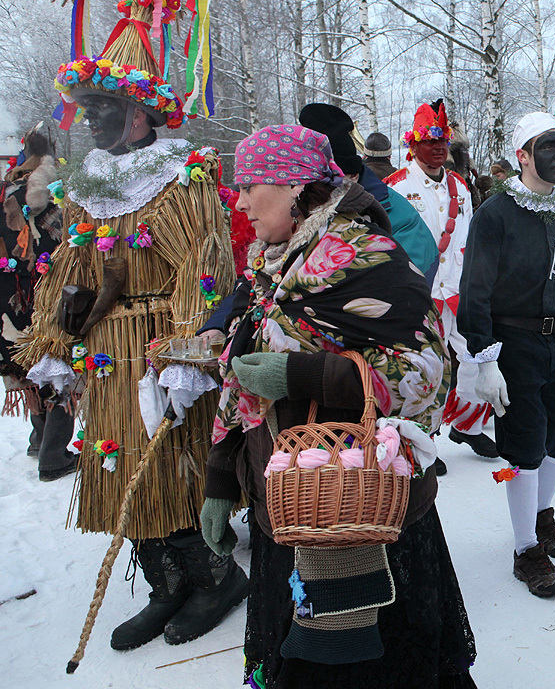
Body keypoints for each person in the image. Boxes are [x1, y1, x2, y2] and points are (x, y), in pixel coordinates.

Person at [20, 0, 248, 652]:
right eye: (86, 110)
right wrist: (54, 341)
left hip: (160, 353)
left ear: (143, 111)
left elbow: (204, 269)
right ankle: (164, 584)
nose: (90, 120)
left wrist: (187, 353)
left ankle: (213, 578)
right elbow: (70, 270)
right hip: (105, 356)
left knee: (173, 472)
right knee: (119, 468)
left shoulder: (183, 177)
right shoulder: (88, 188)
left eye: (105, 108)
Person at [200, 124, 475, 688]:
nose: (242, 200)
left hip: (366, 513)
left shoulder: (368, 259)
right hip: (292, 504)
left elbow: (425, 374)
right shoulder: (273, 263)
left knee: (375, 670)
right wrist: (222, 478)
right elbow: (243, 373)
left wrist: (302, 374)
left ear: (297, 187)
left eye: (252, 185)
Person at [458, 111, 555, 598]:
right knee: (523, 451)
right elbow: (475, 292)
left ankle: (541, 516)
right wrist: (485, 360)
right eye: (546, 148)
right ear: (522, 156)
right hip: (513, 346)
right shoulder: (495, 213)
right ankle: (527, 548)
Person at [387, 100, 498, 460]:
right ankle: (423, 439)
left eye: (443, 142)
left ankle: (468, 427)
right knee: (424, 369)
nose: (437, 148)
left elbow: (467, 238)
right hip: (419, 293)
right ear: (413, 145)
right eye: (429, 142)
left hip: (459, 290)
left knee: (474, 359)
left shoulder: (460, 187)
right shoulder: (396, 188)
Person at [1, 122, 75, 481]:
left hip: (7, 298)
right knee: (55, 364)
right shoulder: (44, 197)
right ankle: (54, 456)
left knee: (28, 367)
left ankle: (38, 438)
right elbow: (61, 245)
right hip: (39, 294)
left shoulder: (4, 191)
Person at [298, 103, 438, 284]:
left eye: (327, 182)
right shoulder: (292, 206)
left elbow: (410, 285)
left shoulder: (396, 212)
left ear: (351, 176)